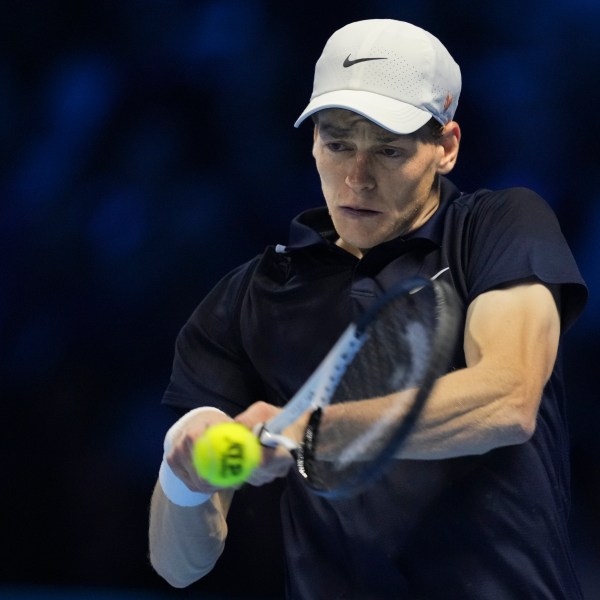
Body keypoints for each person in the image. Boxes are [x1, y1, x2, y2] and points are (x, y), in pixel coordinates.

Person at [148, 19, 587, 599]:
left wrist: (305, 432)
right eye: (337, 144)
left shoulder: (498, 225)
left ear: (446, 148)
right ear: (312, 143)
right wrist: (190, 477)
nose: (358, 177)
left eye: (389, 149)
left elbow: (506, 400)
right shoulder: (246, 298)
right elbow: (180, 565)